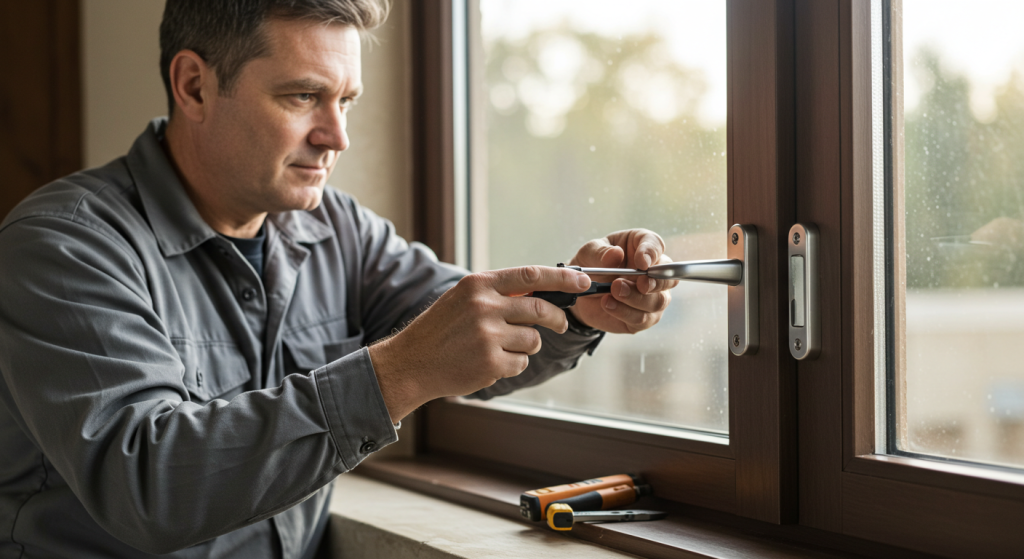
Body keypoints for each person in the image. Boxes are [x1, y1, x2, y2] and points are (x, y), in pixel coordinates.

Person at [0, 1, 675, 557]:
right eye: (303, 96)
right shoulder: (64, 247)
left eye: (346, 100)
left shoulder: (337, 230)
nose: (337, 136)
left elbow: (467, 337)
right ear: (195, 86)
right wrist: (397, 374)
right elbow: (148, 488)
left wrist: (581, 303)